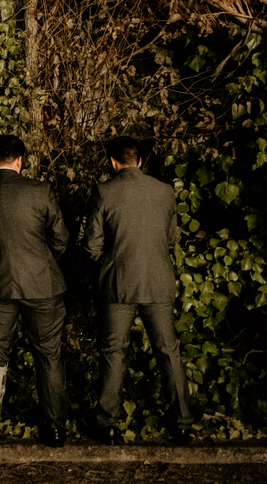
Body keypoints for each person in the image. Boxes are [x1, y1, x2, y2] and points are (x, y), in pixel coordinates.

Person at [83, 136, 194, 446]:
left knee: (113, 351)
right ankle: (182, 424)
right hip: (158, 280)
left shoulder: (104, 192)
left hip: (118, 283)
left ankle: (108, 425)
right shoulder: (165, 191)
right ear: (140, 161)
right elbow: (171, 239)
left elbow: (91, 246)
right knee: (168, 351)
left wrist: (109, 264)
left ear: (112, 162)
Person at [0, 133, 69, 447]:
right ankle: (55, 430)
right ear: (20, 160)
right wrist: (42, 263)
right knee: (48, 355)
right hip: (42, 285)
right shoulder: (40, 191)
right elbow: (61, 240)